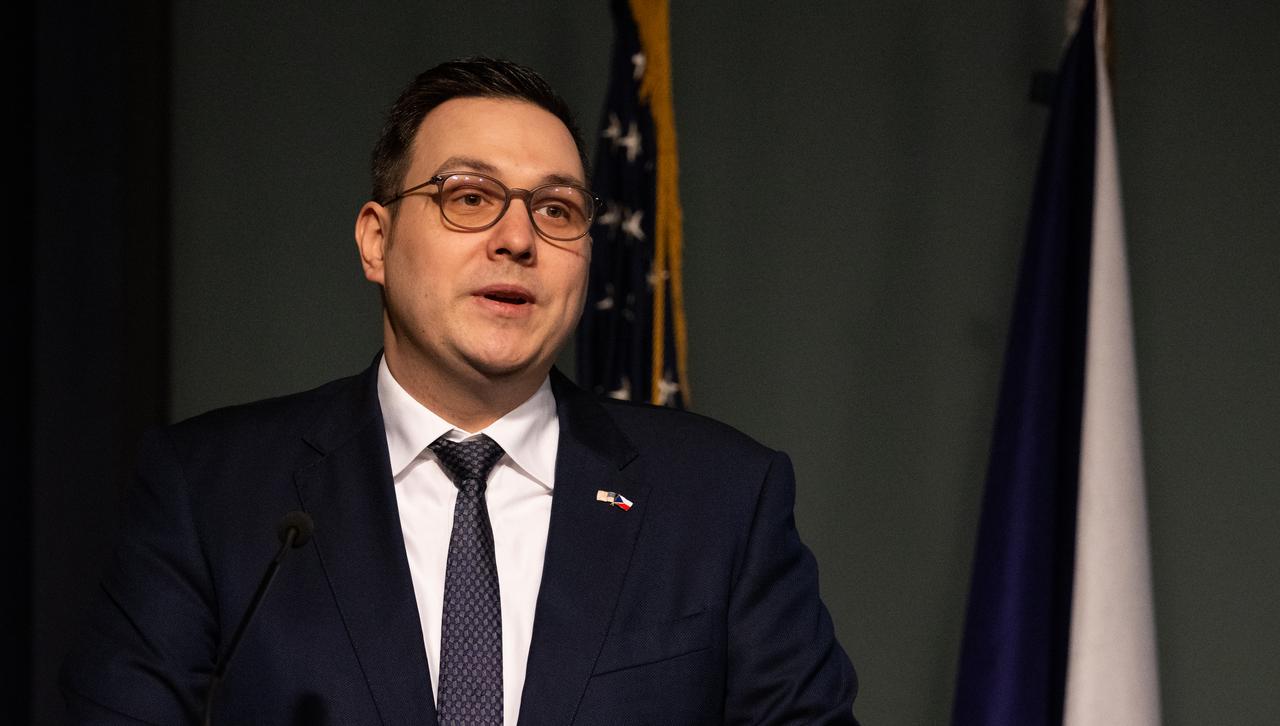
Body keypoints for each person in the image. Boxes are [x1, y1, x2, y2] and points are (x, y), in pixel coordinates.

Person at [61, 57, 858, 725]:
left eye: (556, 210)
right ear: (377, 239)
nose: (517, 239)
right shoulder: (211, 493)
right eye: (468, 198)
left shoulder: (720, 499)